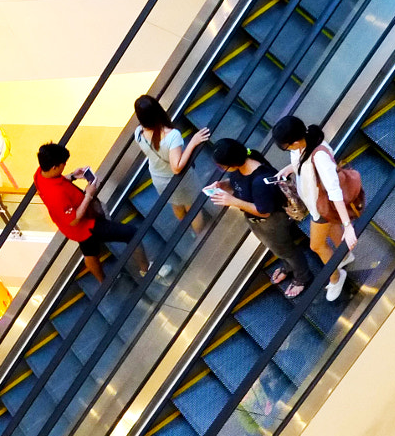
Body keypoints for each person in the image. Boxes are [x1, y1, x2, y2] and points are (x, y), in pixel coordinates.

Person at [206, 139, 318, 298]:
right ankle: (288, 266)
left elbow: (264, 211)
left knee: (286, 250)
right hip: (257, 222)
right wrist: (222, 185)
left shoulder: (260, 181)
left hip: (270, 222)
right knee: (278, 249)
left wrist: (233, 201)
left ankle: (303, 277)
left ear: (233, 162)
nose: (222, 169)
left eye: (222, 166)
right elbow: (237, 182)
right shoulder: (242, 167)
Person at [272, 115, 358, 301]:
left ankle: (336, 277)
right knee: (332, 228)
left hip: (323, 206)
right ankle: (345, 256)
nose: (287, 150)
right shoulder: (304, 142)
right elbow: (301, 161)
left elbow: (334, 191)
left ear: (294, 141)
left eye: (287, 146)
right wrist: (289, 169)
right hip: (316, 203)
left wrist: (348, 225)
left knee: (316, 245)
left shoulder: (319, 156)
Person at [34, 142, 145, 284]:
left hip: (73, 230)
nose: (65, 166)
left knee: (89, 252)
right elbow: (74, 219)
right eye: (63, 164)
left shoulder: (39, 175)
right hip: (86, 226)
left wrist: (73, 176)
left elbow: (58, 180)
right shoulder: (55, 195)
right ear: (54, 167)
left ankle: (103, 282)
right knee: (131, 233)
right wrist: (88, 195)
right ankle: (145, 269)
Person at [133, 95, 210, 225]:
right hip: (180, 181)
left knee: (176, 205)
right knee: (192, 207)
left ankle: (185, 229)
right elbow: (176, 167)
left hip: (159, 178)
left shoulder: (138, 133)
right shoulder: (171, 136)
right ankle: (199, 235)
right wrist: (193, 142)